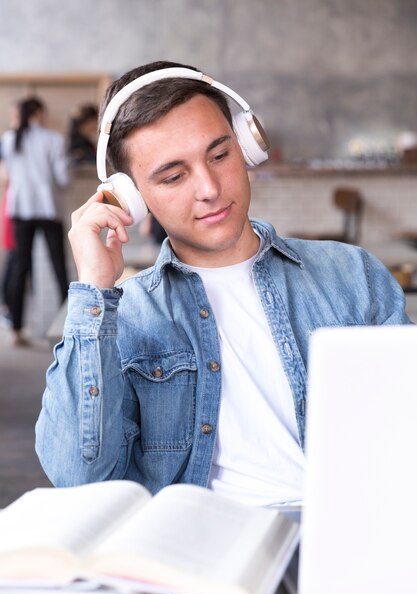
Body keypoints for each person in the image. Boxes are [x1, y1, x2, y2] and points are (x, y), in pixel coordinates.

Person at [35, 61, 410, 506]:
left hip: (348, 530)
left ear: (246, 146)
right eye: (174, 176)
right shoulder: (126, 318)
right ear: (131, 199)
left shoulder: (353, 275)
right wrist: (95, 288)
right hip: (201, 551)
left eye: (220, 154)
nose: (210, 188)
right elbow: (78, 479)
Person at [1, 97, 70, 346]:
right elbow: (63, 178)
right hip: (48, 209)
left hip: (19, 209)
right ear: (39, 113)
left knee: (20, 267)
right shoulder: (53, 139)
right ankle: (69, 324)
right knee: (59, 266)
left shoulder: (8, 139)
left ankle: (16, 328)